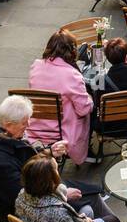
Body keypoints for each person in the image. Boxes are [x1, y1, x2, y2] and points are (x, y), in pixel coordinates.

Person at [0, 94, 107, 222]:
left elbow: (27, 158)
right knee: (92, 200)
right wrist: (62, 194)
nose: (28, 125)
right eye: (24, 122)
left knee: (93, 191)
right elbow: (26, 199)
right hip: (28, 211)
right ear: (8, 124)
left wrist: (49, 152)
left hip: (40, 187)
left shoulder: (4, 138)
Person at [27, 31, 94, 165]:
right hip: (61, 130)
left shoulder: (36, 66)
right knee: (91, 106)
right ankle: (87, 151)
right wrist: (90, 98)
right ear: (72, 50)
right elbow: (83, 110)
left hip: (36, 126)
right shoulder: (72, 75)